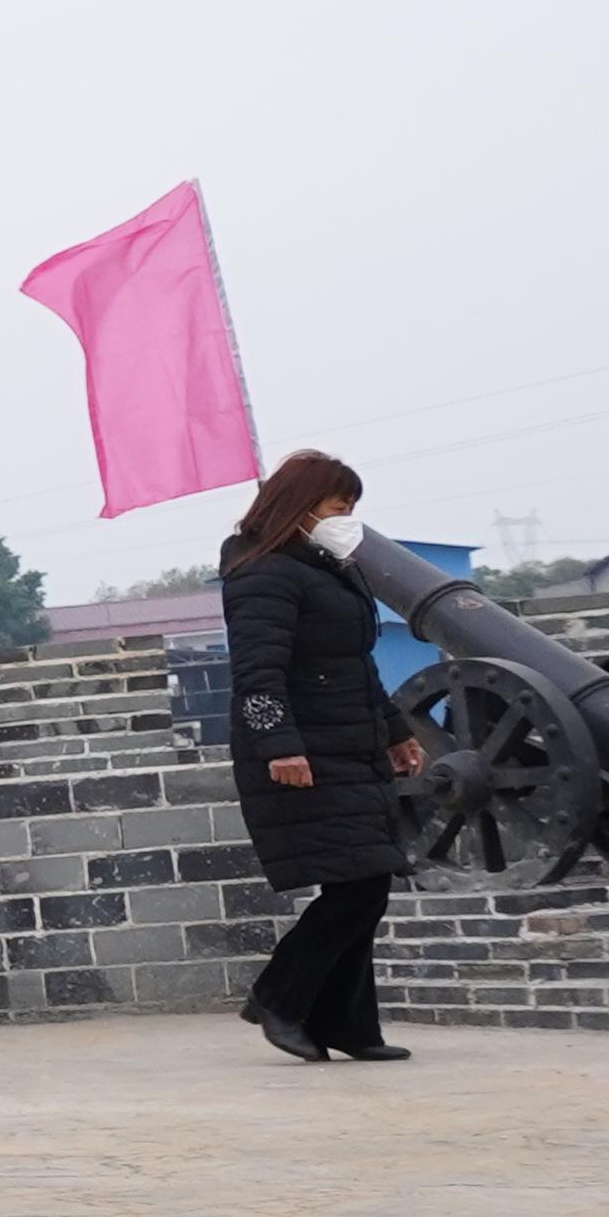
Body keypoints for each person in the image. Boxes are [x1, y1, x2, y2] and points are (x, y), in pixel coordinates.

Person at [217, 450, 421, 1063]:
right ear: (301, 508)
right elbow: (257, 674)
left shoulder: (330, 570)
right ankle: (280, 997)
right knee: (357, 886)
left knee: (369, 882)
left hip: (349, 743)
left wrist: (396, 731)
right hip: (301, 752)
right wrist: (279, 745)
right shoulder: (263, 574)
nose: (348, 517)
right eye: (339, 506)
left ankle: (347, 1024)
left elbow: (354, 666)